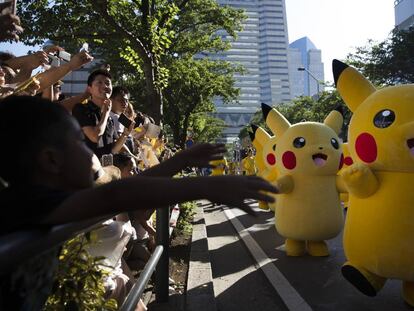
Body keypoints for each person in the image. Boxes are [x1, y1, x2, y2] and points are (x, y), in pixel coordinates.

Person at [0, 95, 277, 309]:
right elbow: (116, 196)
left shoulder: (46, 197)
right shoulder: (25, 203)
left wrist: (180, 161)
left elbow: (121, 190)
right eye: (77, 143)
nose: (89, 151)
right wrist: (205, 186)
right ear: (50, 160)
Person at [72, 69, 134, 160]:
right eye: (99, 83)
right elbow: (94, 136)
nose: (105, 86)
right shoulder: (81, 109)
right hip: (87, 168)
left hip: (106, 169)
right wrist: (105, 113)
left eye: (108, 83)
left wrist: (125, 134)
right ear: (90, 89)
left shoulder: (109, 117)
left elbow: (113, 149)